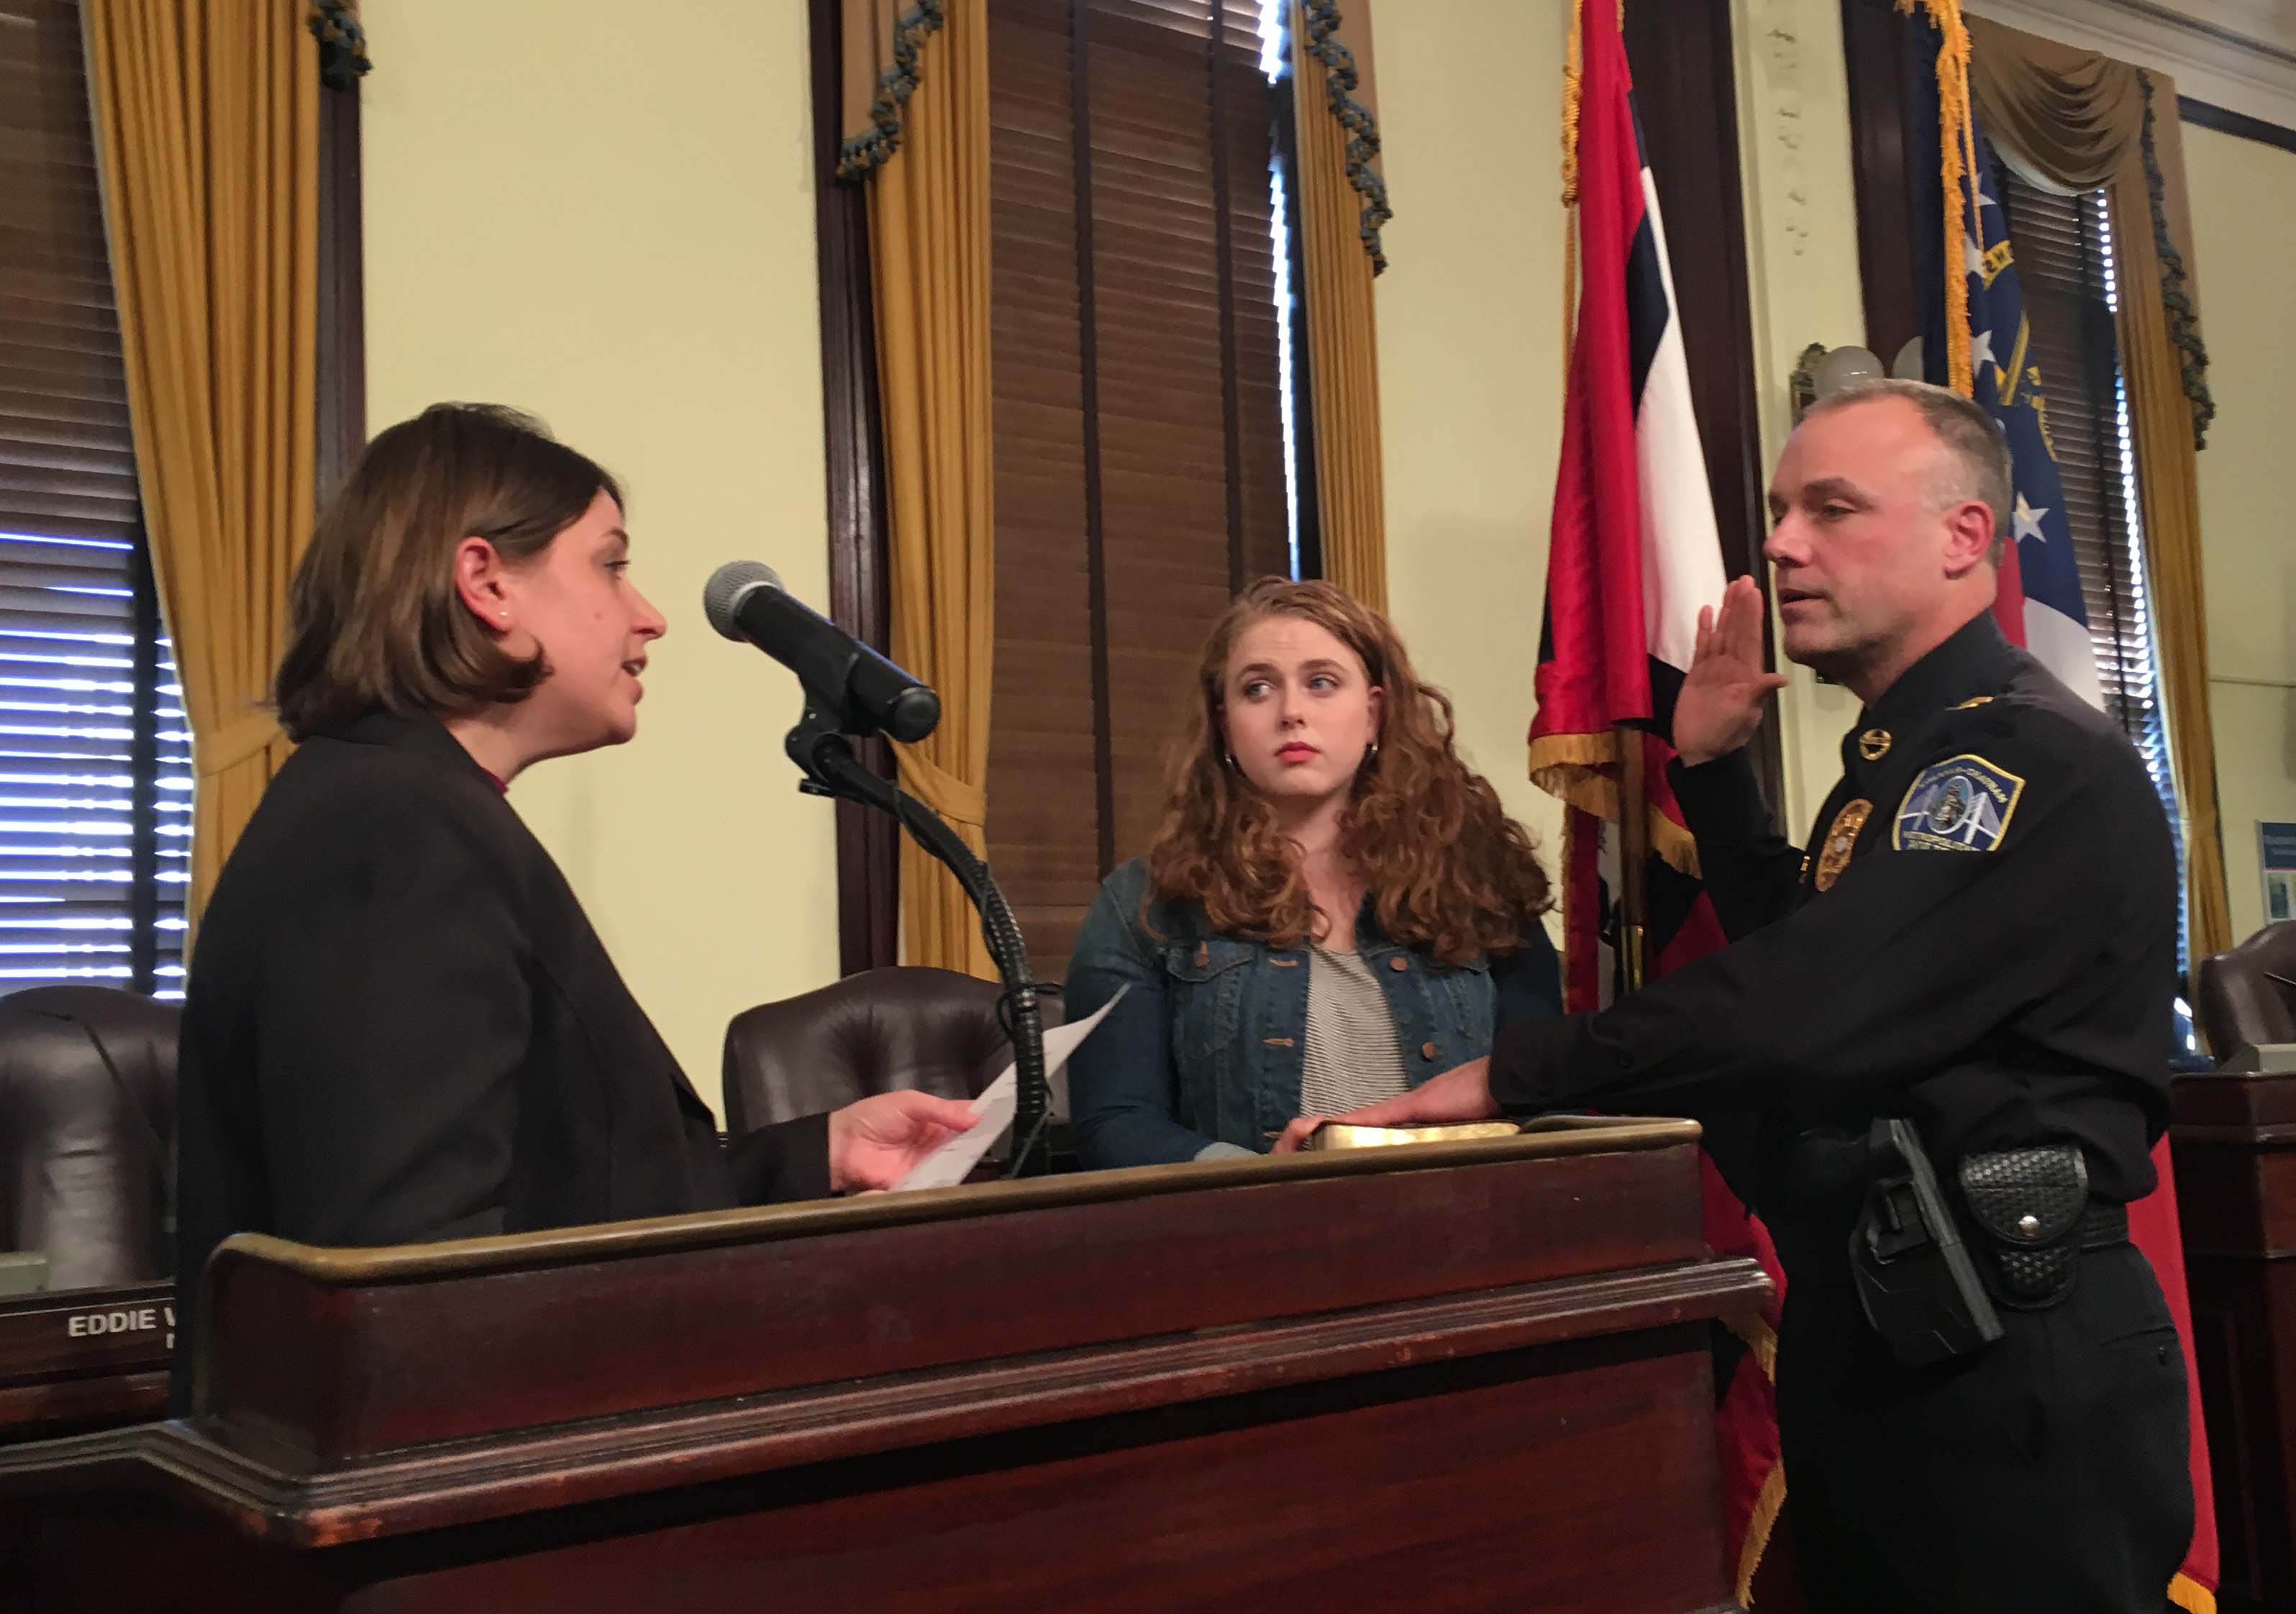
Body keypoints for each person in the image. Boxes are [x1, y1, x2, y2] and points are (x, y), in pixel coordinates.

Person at [1331, 379, 2192, 1613]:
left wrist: (1510, 1073)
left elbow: (1810, 1001)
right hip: (1895, 1322)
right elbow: (1824, 950)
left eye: (1831, 508)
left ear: (1962, 536)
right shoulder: (1903, 760)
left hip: (2008, 1347)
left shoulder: (2020, 757)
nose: (1780, 541)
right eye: (1780, 510)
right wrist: (1716, 771)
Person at [172, 405, 975, 1389]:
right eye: (610, 564)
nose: (651, 614)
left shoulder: (403, 807)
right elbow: (409, 1288)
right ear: (487, 583)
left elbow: (572, 1204)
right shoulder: (394, 833)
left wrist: (819, 1156)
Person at [1063, 578, 1562, 1169]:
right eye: (1258, 690)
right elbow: (1113, 1125)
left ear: (1375, 714)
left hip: (1469, 1227)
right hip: (1252, 1238)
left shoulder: (1482, 882)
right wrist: (1263, 1180)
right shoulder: (1144, 903)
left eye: (1321, 683)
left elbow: (1544, 1099)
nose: (1292, 713)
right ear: (1224, 725)